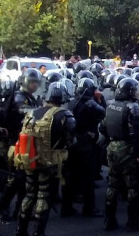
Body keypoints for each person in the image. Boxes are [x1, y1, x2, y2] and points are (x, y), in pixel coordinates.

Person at [15, 82, 76, 236]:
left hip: (29, 159)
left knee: (29, 195)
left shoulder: (32, 113)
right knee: (44, 196)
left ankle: (20, 231)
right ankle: (38, 233)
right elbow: (70, 142)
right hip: (50, 163)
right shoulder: (65, 115)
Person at [100, 78, 139, 232]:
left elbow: (102, 127)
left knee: (113, 184)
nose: (136, 92)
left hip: (112, 147)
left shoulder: (110, 105)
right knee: (133, 186)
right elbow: (137, 134)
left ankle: (109, 220)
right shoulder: (132, 107)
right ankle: (133, 222)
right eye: (133, 89)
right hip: (128, 149)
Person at [0, 69, 42, 223]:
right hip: (14, 142)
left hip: (25, 142)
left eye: (36, 82)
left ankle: (20, 210)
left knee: (23, 179)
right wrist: (44, 113)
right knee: (15, 177)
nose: (34, 85)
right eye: (32, 82)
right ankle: (2, 206)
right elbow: (26, 112)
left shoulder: (30, 97)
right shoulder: (19, 97)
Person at [61, 77, 105, 218]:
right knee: (88, 177)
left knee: (70, 176)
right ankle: (89, 208)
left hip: (72, 143)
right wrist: (100, 99)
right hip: (85, 144)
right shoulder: (90, 104)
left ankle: (66, 207)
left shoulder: (72, 102)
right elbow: (103, 112)